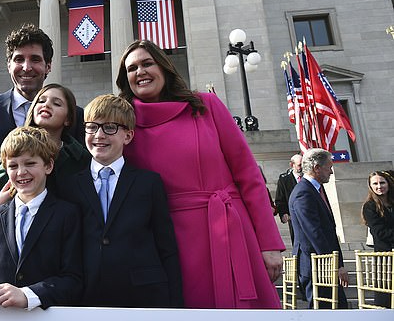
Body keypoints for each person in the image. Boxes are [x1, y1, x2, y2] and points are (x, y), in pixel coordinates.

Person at [115, 40, 284, 309]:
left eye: (147, 63)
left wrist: (269, 243)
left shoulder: (205, 105)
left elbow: (249, 176)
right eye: (132, 68)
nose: (140, 72)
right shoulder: (123, 126)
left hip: (230, 231)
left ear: (164, 66)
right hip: (170, 245)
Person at [0, 24, 84, 281]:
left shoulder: (75, 116)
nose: (26, 67)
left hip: (53, 246)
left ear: (48, 66)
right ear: (8, 65)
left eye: (35, 59)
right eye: (19, 59)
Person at [56, 94, 183, 308]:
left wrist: (176, 307)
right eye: (92, 127)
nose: (99, 135)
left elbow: (167, 248)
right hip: (86, 297)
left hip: (145, 296)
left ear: (128, 135)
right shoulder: (68, 186)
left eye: (110, 128)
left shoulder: (148, 183)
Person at [0, 127, 82, 311]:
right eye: (13, 166)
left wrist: (28, 295)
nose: (21, 172)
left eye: (30, 163)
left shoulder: (68, 215)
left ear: (48, 166)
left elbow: (74, 279)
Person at [0, 84, 90, 223]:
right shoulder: (18, 150)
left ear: (68, 119)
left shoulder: (81, 158)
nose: (46, 105)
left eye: (56, 103)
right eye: (41, 101)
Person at [289, 148, 348, 309]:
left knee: (339, 309)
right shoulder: (303, 193)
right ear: (317, 167)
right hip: (317, 265)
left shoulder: (315, 190)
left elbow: (329, 230)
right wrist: (334, 264)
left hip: (324, 263)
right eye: (329, 167)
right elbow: (315, 233)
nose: (331, 172)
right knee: (324, 311)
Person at [361, 170, 394, 308]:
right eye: (375, 183)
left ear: (389, 183)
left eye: (382, 182)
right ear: (370, 186)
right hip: (384, 257)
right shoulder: (369, 206)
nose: (379, 186)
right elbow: (379, 232)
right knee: (385, 296)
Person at [275, 154, 303, 244]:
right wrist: (283, 214)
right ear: (292, 165)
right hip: (294, 218)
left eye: (303, 164)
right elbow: (280, 199)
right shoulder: (284, 180)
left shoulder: (309, 177)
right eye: (299, 165)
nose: (302, 167)